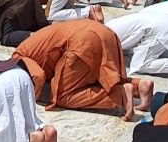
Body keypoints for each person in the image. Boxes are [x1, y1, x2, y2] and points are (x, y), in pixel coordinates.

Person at [12, 20, 152, 119]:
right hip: (104, 32)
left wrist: (29, 102)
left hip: (83, 42)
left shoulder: (17, 57)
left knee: (62, 95)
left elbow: (38, 76)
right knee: (102, 76)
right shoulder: (36, 39)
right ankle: (138, 86)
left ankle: (120, 95)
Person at [105, 10, 168, 78]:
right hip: (163, 18)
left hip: (157, 28)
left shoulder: (103, 36)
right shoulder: (107, 26)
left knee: (140, 65)